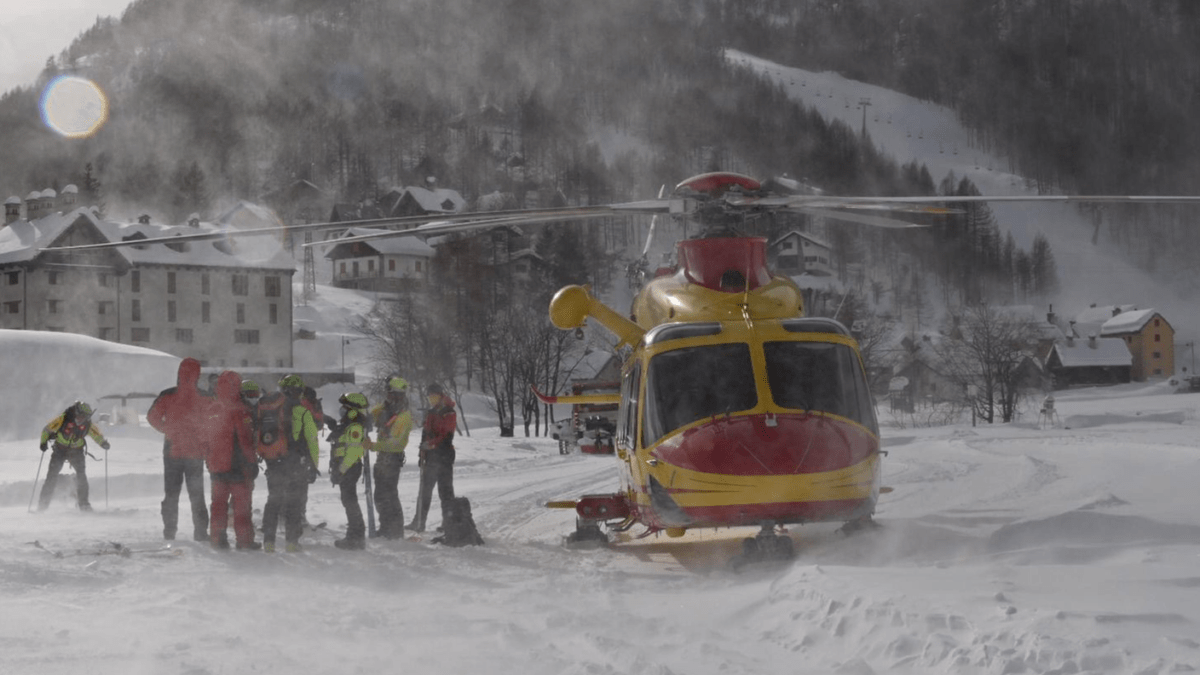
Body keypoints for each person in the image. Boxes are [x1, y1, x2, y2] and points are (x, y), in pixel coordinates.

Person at [147, 357, 213, 541]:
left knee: (171, 494)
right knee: (197, 495)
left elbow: (152, 417)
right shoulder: (205, 397)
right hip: (195, 453)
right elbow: (213, 423)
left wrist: (167, 429)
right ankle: (200, 533)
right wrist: (203, 437)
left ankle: (169, 532)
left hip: (172, 452)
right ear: (198, 375)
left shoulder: (167, 394)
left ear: (179, 373)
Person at [258, 374, 320, 552]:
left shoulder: (270, 410)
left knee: (273, 501)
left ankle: (268, 542)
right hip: (295, 464)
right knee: (294, 503)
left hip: (273, 461)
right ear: (299, 392)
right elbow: (312, 440)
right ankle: (292, 543)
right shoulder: (302, 412)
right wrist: (314, 466)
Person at [206, 371, 261, 551]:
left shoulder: (212, 407)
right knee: (241, 507)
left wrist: (209, 461)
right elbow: (246, 440)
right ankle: (244, 541)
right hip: (238, 467)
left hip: (217, 468)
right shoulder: (241, 408)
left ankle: (217, 540)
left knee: (218, 506)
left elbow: (205, 439)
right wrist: (252, 463)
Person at [37, 401, 110, 512]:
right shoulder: (63, 418)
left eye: (85, 417)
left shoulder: (88, 424)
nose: (81, 419)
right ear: (76, 413)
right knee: (51, 476)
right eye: (80, 416)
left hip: (77, 452)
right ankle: (42, 505)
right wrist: (43, 442)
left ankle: (84, 504)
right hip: (59, 450)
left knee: (81, 476)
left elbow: (96, 435)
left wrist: (103, 443)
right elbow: (47, 429)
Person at [409, 382, 457, 533]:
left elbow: (446, 436)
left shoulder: (448, 412)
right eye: (429, 396)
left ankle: (448, 523)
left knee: (445, 491)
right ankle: (419, 522)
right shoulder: (431, 412)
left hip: (444, 455)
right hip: (431, 457)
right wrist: (421, 454)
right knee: (424, 491)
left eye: (434, 396)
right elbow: (425, 434)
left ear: (441, 395)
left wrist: (431, 444)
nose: (431, 398)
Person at [370, 376, 412, 539]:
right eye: (387, 393)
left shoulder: (403, 417)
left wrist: (373, 446)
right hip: (382, 458)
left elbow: (395, 444)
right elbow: (371, 415)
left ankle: (395, 530)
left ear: (398, 395)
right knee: (380, 495)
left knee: (389, 495)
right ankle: (385, 526)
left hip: (392, 459)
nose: (387, 396)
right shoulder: (386, 410)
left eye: (390, 393)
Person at [330, 392, 372, 550]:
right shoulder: (348, 424)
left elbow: (354, 453)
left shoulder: (355, 427)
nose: (342, 409)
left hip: (349, 468)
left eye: (345, 407)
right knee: (348, 501)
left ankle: (356, 537)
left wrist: (340, 470)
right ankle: (354, 536)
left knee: (350, 502)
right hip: (346, 468)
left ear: (353, 410)